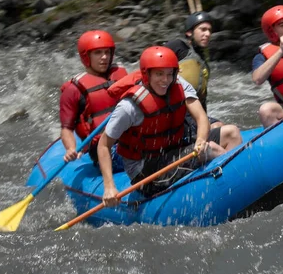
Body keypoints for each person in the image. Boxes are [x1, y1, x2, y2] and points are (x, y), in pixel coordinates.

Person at [97, 46, 242, 206]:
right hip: (145, 170)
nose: (165, 80)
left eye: (169, 74)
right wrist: (109, 187)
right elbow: (103, 145)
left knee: (232, 133)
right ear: (147, 74)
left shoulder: (179, 84)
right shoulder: (129, 107)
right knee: (210, 149)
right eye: (159, 74)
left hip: (171, 149)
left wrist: (200, 139)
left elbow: (201, 117)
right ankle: (239, 183)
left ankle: (230, 186)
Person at [59, 30, 128, 165]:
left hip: (132, 137)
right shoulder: (73, 90)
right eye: (98, 53)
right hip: (105, 147)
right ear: (86, 56)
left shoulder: (122, 75)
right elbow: (67, 128)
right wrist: (71, 149)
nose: (104, 57)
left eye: (107, 52)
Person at [165, 11, 223, 145]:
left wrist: (203, 121)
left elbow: (201, 100)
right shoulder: (178, 46)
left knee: (219, 126)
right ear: (190, 32)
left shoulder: (203, 63)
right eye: (202, 29)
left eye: (209, 30)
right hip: (175, 114)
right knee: (217, 127)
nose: (207, 34)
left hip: (192, 114)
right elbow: (153, 62)